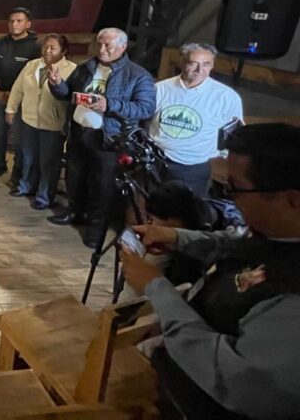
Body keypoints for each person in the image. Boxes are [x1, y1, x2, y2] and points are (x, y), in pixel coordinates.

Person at [120, 123, 300, 420]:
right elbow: (237, 243)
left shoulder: (292, 301)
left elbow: (239, 385)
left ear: (292, 198)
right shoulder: (275, 231)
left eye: (236, 188)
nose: (230, 198)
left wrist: (157, 289)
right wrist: (178, 237)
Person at [47, 27, 156, 246]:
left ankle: (96, 230)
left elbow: (145, 109)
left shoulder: (137, 75)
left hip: (109, 139)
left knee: (102, 187)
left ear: (123, 47)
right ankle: (75, 212)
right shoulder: (86, 67)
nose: (102, 49)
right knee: (75, 178)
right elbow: (68, 94)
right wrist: (57, 83)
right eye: (99, 44)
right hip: (79, 132)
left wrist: (110, 105)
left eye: (108, 45)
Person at [148, 43, 243, 196]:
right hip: (155, 161)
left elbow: (234, 133)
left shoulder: (226, 97)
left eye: (206, 64)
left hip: (194, 167)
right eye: (193, 63)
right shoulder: (160, 89)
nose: (200, 70)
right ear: (182, 62)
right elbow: (143, 120)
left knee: (188, 208)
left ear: (212, 65)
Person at [6, 33, 77, 209]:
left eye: (53, 48)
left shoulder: (72, 69)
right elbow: (18, 87)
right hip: (29, 120)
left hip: (53, 125)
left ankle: (44, 197)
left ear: (63, 51)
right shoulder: (32, 65)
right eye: (45, 47)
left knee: (49, 163)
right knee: (28, 157)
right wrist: (11, 108)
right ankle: (26, 186)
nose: (47, 51)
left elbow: (71, 98)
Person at [0, 8, 40, 185]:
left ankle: (18, 170)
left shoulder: (35, 46)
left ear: (28, 24)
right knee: (0, 133)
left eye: (19, 21)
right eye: (11, 21)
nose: (14, 24)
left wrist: (15, 96)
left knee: (18, 137)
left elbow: (34, 75)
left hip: (21, 101)